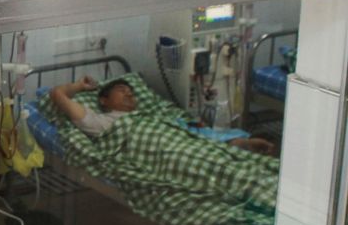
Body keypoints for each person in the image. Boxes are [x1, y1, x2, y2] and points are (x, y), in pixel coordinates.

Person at [48, 75, 277, 154]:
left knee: (198, 140)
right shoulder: (102, 122)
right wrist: (80, 86)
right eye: (121, 90)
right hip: (160, 151)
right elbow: (57, 94)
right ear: (104, 100)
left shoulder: (151, 116)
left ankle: (238, 146)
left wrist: (237, 140)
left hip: (180, 142)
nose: (129, 94)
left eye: (131, 92)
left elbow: (186, 134)